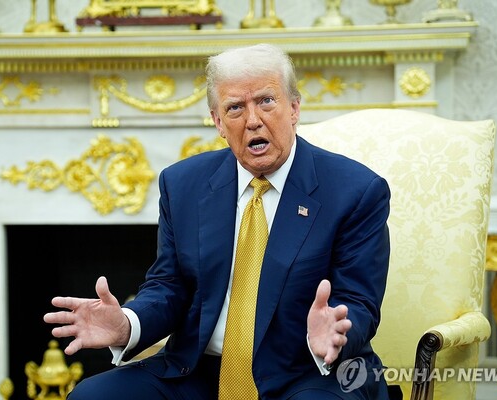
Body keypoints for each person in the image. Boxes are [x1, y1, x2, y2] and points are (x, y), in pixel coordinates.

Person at [44, 43, 391, 400]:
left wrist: (334, 333)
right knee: (91, 396)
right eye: (235, 107)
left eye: (266, 101)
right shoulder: (183, 184)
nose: (253, 120)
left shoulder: (354, 191)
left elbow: (358, 300)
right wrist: (127, 324)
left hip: (307, 372)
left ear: (294, 108)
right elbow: (169, 286)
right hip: (198, 372)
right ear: (218, 122)